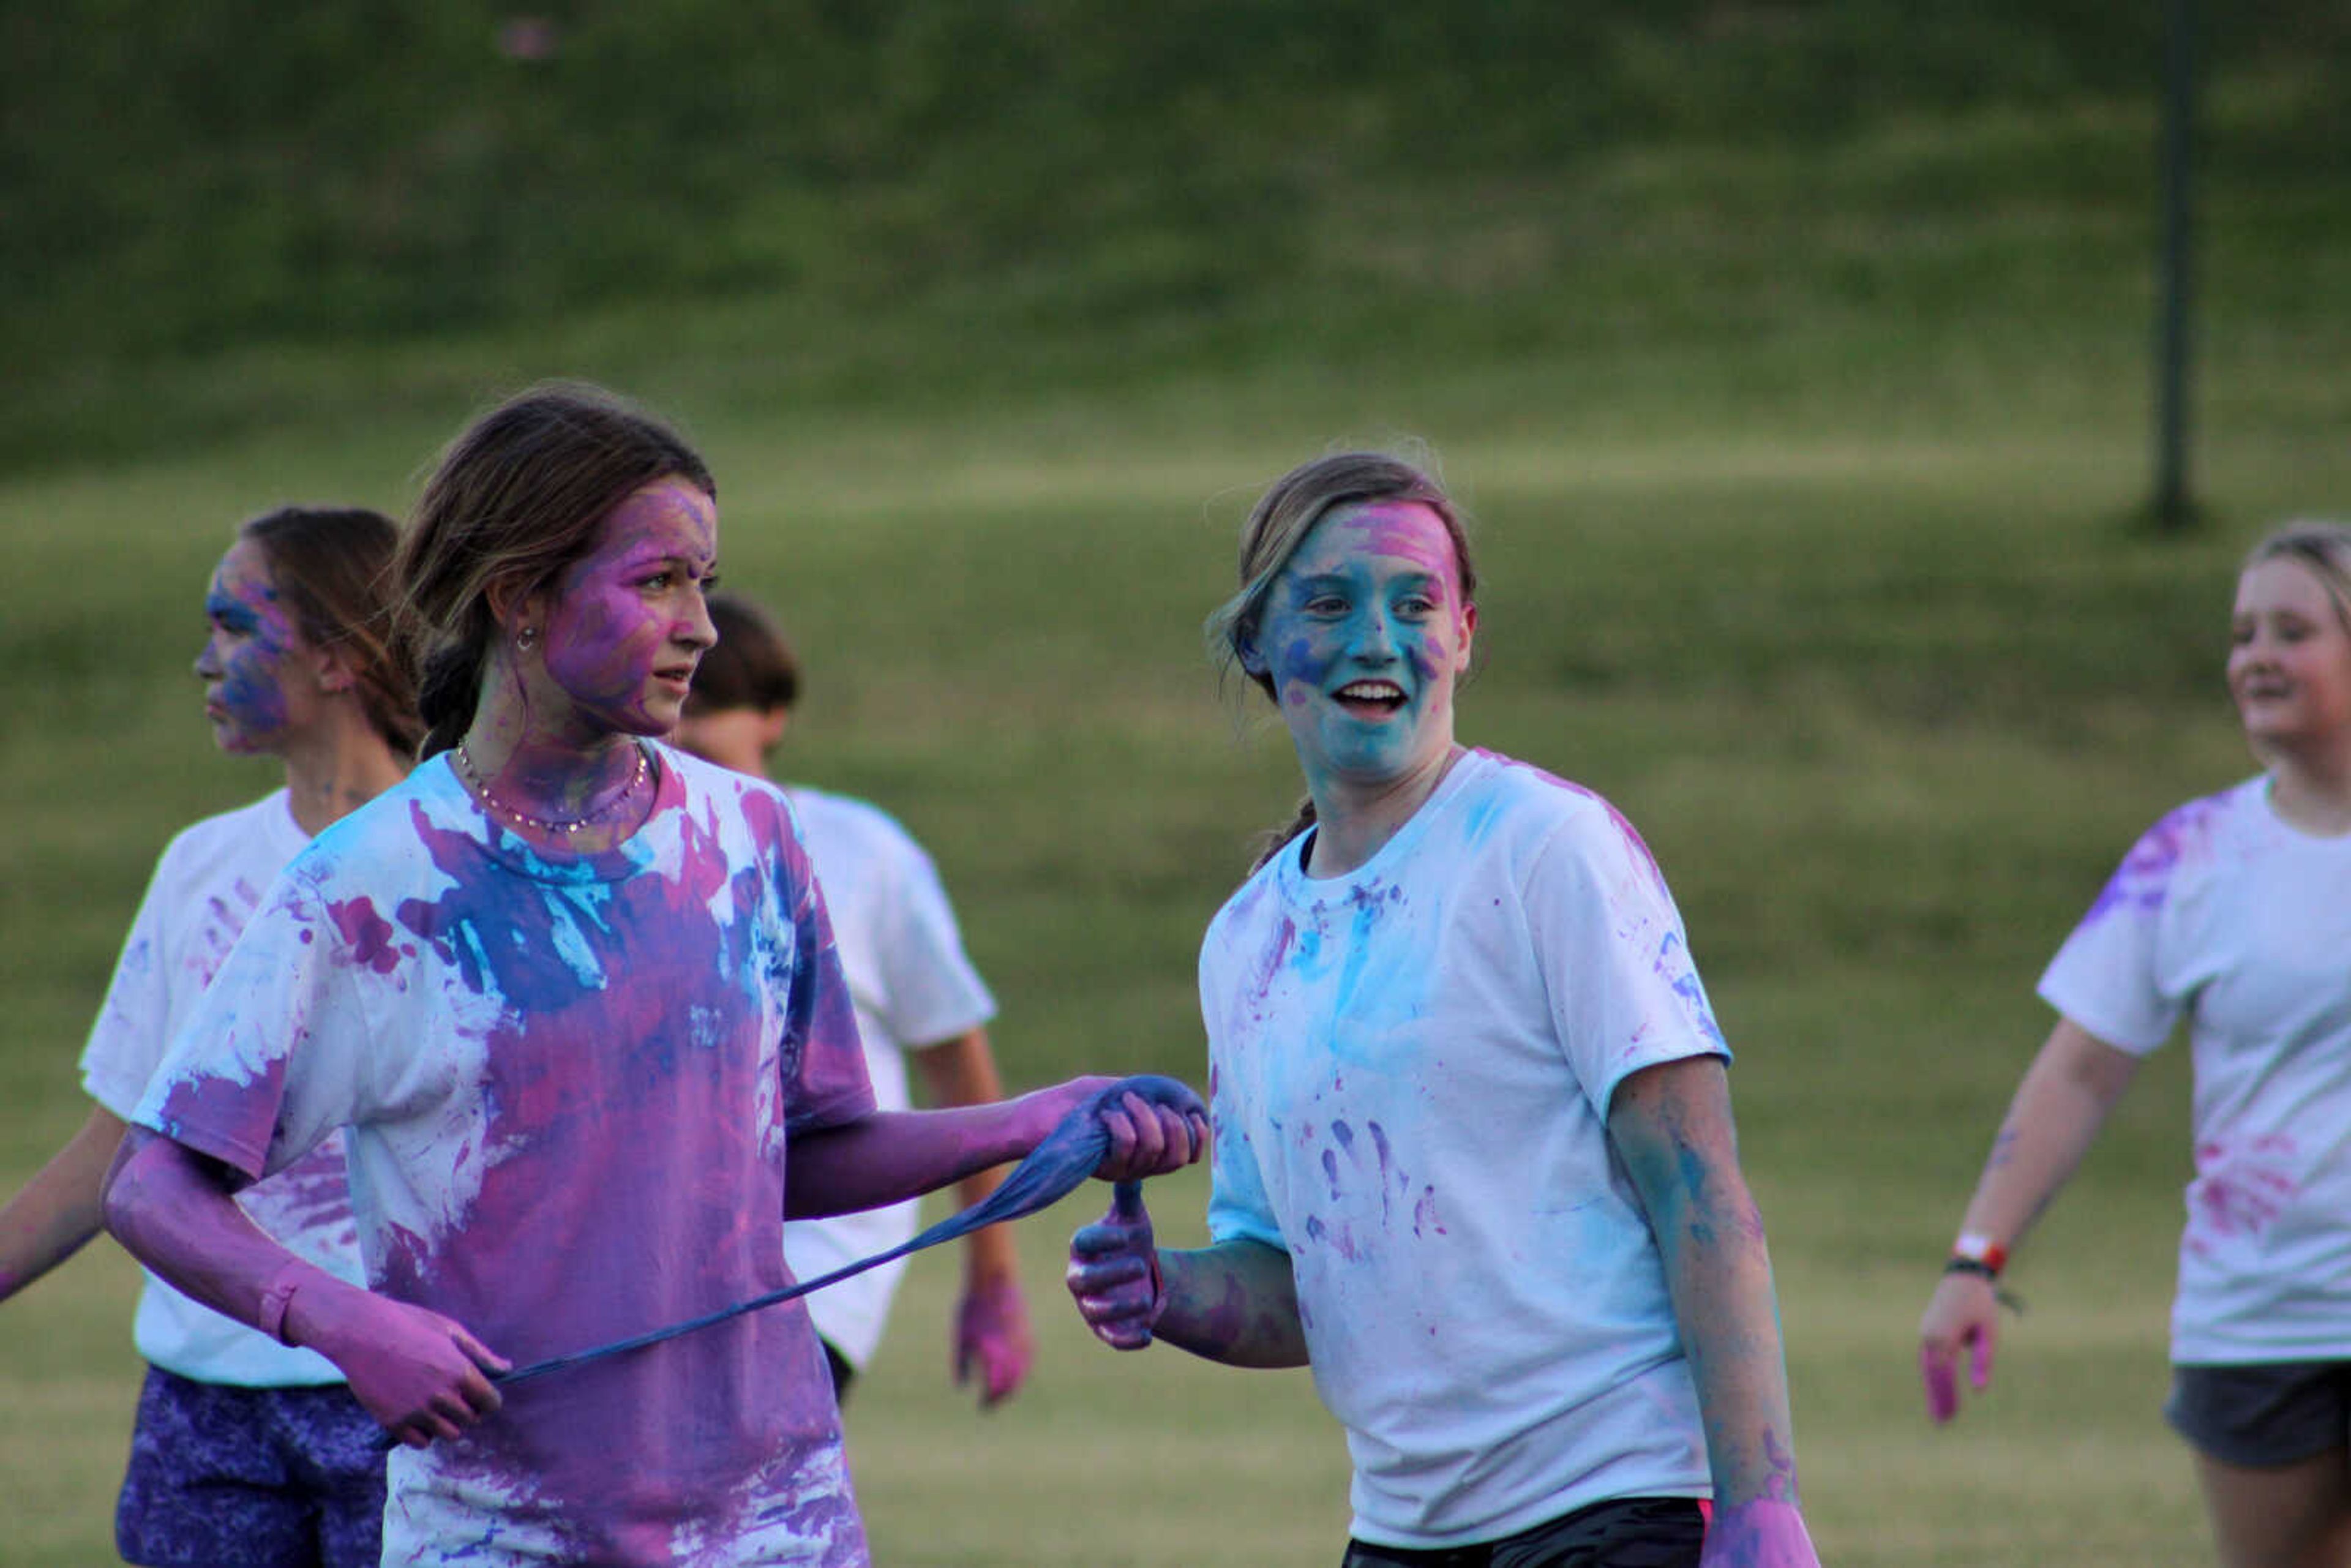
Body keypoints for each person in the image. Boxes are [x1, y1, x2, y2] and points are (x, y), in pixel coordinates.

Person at [100, 381, 1207, 1567]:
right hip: (498, 1535)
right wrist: (341, 1322)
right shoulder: (366, 889)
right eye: (659, 581)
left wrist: (1037, 1119)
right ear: (520, 597)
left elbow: (806, 1155)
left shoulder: (752, 842)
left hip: (781, 1521)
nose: (702, 627)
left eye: (703, 581)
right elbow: (151, 1189)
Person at [1065, 450, 1820, 1567]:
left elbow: (1699, 1185)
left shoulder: (1548, 848)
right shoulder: (1244, 945)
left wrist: (1762, 1504)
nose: (1376, 638)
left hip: (1618, 1506)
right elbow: (1290, 1280)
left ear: (1465, 633)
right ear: (1258, 644)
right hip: (1401, 1536)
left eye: (1414, 603)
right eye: (1327, 603)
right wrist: (1161, 1286)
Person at [1919, 520, 2351, 1568]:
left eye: (2292, 630)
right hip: (2261, 1319)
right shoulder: (2192, 854)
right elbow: (2080, 1067)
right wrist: (1975, 1258)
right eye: (2244, 632)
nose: (2255, 655)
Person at [0, 505, 418, 1567]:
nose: (203, 659)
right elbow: (121, 1151)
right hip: (205, 1409)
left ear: (336, 656)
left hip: (405, 1394)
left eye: (233, 626)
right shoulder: (201, 864)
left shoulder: (455, 858)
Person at [672, 593, 1032, 1408]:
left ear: (772, 715)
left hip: (821, 1259)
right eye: (669, 706)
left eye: (709, 707)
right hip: (672, 1248)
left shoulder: (861, 853)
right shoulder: (621, 846)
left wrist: (994, 1276)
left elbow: (958, 1064)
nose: (682, 731)